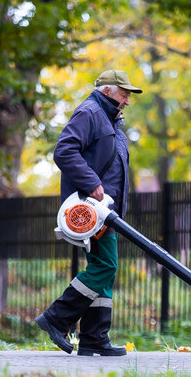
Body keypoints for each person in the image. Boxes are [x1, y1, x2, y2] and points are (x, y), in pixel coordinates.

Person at [35, 69, 143, 356]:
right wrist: (92, 184)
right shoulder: (90, 112)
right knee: (105, 267)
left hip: (107, 211)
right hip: (91, 209)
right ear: (107, 91)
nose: (127, 101)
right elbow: (64, 151)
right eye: (124, 94)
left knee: (104, 270)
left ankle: (95, 337)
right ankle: (56, 318)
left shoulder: (111, 120)